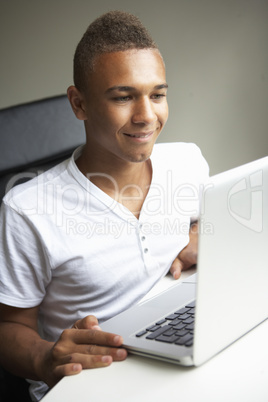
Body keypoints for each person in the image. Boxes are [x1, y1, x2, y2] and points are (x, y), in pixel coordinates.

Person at [0, 10, 209, 401]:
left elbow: (218, 217)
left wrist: (200, 232)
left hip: (171, 346)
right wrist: (46, 358)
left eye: (158, 95)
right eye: (123, 97)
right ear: (79, 104)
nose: (147, 116)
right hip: (90, 381)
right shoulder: (26, 209)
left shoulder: (187, 162)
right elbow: (9, 327)